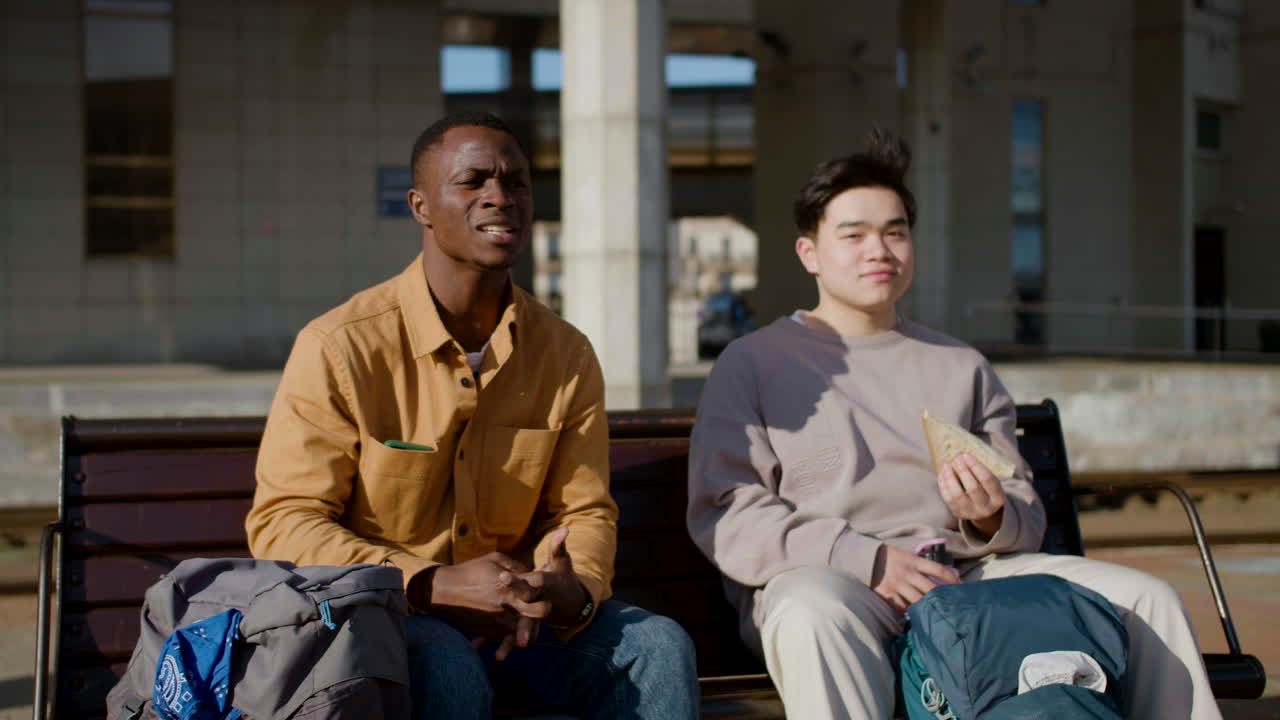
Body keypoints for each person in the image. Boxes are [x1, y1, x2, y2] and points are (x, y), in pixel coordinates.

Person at [686, 128, 1222, 720]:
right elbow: (728, 511)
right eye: (854, 235)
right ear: (809, 253)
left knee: (1150, 598)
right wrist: (867, 559)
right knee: (809, 614)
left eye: (895, 232)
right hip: (832, 580)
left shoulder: (959, 365)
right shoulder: (753, 362)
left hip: (968, 572)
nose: (879, 250)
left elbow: (1023, 512)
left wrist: (991, 514)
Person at [247, 111, 699, 720]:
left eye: (515, 183)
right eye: (474, 181)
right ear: (421, 206)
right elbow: (285, 522)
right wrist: (427, 582)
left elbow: (583, 509)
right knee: (444, 662)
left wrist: (572, 589)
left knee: (656, 646)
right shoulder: (341, 346)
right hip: (388, 620)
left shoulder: (564, 353)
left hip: (523, 624)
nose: (500, 197)